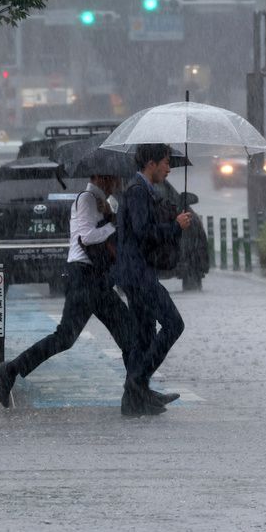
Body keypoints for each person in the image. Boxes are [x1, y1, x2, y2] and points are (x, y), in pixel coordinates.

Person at [0, 173, 138, 410]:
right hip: (83, 277)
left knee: (128, 334)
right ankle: (9, 369)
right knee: (65, 338)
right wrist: (113, 224)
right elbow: (87, 237)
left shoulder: (101, 201)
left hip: (96, 280)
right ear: (103, 178)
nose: (120, 183)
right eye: (117, 179)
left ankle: (136, 393)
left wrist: (111, 217)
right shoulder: (87, 199)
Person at [114, 143, 192, 417]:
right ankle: (137, 383)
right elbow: (143, 231)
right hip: (137, 274)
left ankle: (133, 401)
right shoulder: (137, 191)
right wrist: (174, 226)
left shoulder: (143, 190)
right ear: (151, 164)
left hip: (136, 272)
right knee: (173, 323)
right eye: (166, 162)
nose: (169, 168)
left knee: (144, 335)